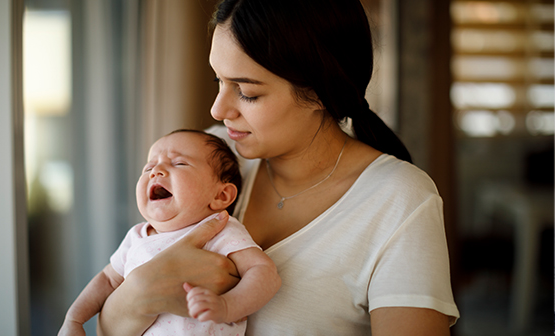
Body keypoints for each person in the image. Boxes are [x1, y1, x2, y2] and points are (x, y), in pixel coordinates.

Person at [97, 0, 460, 335]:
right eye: (218, 81)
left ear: (319, 91)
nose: (218, 110)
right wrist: (142, 291)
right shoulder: (207, 159)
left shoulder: (399, 200)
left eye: (247, 92)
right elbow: (109, 325)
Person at [59, 129, 281, 336]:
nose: (156, 171)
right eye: (148, 168)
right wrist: (74, 318)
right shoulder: (137, 236)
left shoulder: (221, 229)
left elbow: (264, 272)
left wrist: (228, 305)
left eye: (179, 163)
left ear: (221, 196)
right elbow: (107, 280)